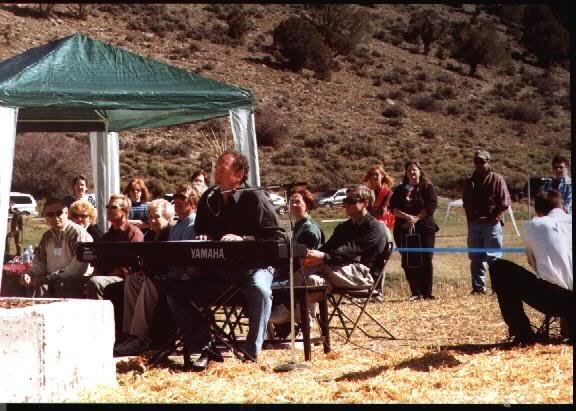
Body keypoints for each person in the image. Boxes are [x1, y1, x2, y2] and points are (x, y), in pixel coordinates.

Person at [166, 150, 286, 371]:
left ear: (239, 175)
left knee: (260, 290)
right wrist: (203, 236)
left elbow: (277, 237)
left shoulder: (255, 197)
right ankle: (205, 346)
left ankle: (250, 354)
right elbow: (201, 229)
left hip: (253, 267)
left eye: (223, 169)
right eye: (216, 168)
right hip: (219, 271)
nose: (216, 173)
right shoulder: (209, 198)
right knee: (176, 292)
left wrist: (244, 240)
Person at [489, 190, 572, 345]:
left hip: (557, 299)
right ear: (563, 206)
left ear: (538, 211)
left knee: (498, 268)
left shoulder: (533, 225)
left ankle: (524, 334)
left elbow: (534, 263)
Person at [298, 185, 391, 291]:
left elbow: (349, 251)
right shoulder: (344, 227)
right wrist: (310, 255)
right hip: (342, 271)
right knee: (312, 280)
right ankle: (290, 296)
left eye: (351, 201)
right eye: (345, 201)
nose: (346, 205)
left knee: (316, 264)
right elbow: (328, 247)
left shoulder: (374, 227)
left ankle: (286, 291)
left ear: (365, 203)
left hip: (365, 275)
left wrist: (323, 257)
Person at [114, 198, 175, 356]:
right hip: (153, 275)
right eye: (150, 217)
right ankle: (130, 334)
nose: (152, 221)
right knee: (132, 280)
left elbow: (170, 262)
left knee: (151, 282)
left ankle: (140, 336)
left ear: (167, 217)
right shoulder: (150, 235)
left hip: (168, 278)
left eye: (157, 217)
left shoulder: (171, 234)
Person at [269, 188, 325, 329]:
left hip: (303, 274)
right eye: (291, 202)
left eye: (298, 202)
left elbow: (303, 260)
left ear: (307, 205)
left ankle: (288, 317)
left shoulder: (310, 229)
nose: (294, 205)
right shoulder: (300, 226)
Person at [20, 198, 92, 298]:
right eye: (50, 214)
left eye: (59, 213)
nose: (55, 217)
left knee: (59, 285)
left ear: (66, 212)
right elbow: (40, 263)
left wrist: (49, 278)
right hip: (52, 279)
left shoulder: (78, 233)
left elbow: (79, 268)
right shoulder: (47, 236)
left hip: (76, 281)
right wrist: (29, 274)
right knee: (32, 284)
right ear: (45, 217)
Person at [462, 150, 511, 295]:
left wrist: (496, 217)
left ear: (488, 162)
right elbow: (465, 202)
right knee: (475, 257)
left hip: (491, 224)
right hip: (474, 224)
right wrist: (470, 220)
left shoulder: (497, 179)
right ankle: (478, 288)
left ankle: (498, 289)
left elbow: (505, 202)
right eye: (477, 162)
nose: (479, 165)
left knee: (494, 257)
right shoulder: (470, 181)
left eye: (482, 162)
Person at [389, 160, 439, 301]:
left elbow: (430, 206)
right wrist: (406, 217)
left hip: (424, 229)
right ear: (406, 173)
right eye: (409, 170)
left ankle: (427, 293)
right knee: (409, 260)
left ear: (420, 171)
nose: (412, 172)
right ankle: (415, 293)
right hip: (403, 230)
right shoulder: (399, 190)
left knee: (426, 259)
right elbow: (393, 208)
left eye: (414, 170)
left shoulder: (427, 188)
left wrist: (415, 219)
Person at [86, 194, 144, 300]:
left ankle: (101, 311)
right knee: (75, 281)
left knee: (95, 282)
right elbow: (98, 260)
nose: (108, 210)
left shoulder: (133, 233)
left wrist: (106, 274)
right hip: (105, 275)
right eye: (107, 207)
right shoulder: (106, 236)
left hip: (126, 278)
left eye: (113, 207)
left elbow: (132, 264)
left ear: (125, 211)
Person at [363, 164, 395, 229]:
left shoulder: (388, 192)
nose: (374, 176)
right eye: (372, 175)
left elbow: (383, 212)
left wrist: (371, 211)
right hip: (368, 224)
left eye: (377, 174)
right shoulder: (367, 192)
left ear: (382, 176)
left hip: (382, 225)